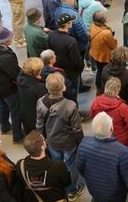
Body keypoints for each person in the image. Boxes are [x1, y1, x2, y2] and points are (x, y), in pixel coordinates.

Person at [36, 72, 85, 200]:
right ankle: (72, 191)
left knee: (57, 164)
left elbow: (39, 123)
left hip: (51, 142)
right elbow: (77, 129)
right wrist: (81, 141)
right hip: (68, 143)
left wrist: (42, 139)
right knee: (70, 165)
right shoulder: (70, 105)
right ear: (63, 87)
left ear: (47, 86)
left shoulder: (41, 102)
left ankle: (60, 186)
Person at [78, 111, 128, 200]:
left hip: (94, 191)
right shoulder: (123, 153)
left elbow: (80, 168)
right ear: (111, 130)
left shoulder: (84, 144)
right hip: (116, 196)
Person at [0, 27, 24, 144]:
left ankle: (5, 127)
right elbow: (14, 73)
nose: (12, 38)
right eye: (10, 37)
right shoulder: (5, 56)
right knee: (15, 110)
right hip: (7, 87)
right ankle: (17, 136)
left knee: (2, 105)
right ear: (4, 41)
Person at [16, 130, 71, 202]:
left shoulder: (20, 165)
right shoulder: (57, 166)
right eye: (44, 140)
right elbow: (67, 182)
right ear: (42, 147)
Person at [91, 77, 128, 149]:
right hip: (122, 141)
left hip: (103, 139)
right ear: (118, 91)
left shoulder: (96, 102)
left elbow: (94, 118)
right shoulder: (123, 108)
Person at [48, 13, 85, 103]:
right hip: (71, 73)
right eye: (71, 22)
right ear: (68, 24)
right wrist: (80, 68)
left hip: (57, 70)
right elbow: (77, 60)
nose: (72, 23)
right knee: (72, 95)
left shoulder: (51, 35)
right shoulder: (71, 41)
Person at [101, 47, 128, 115]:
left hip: (109, 102)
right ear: (125, 60)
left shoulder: (104, 69)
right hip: (126, 105)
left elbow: (103, 87)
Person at [17, 58, 47, 135]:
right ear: (36, 71)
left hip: (25, 113)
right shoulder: (38, 87)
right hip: (37, 117)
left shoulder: (20, 78)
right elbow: (46, 104)